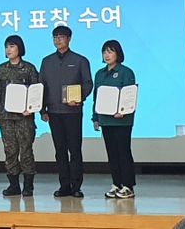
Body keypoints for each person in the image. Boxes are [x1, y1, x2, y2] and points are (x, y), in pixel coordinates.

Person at [39, 25, 92, 198]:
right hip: (54, 112)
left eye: (61, 37)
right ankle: (64, 185)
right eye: (55, 37)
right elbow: (41, 86)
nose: (58, 40)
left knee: (74, 149)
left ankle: (76, 186)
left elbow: (87, 83)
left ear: (69, 39)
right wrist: (42, 109)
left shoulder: (80, 60)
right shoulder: (47, 61)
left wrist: (80, 97)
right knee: (60, 150)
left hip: (73, 112)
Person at [0, 35, 39, 197]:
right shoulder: (1, 69)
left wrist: (31, 108)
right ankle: (13, 185)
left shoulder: (29, 68)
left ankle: (28, 185)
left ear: (19, 48)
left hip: (24, 117)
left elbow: (36, 91)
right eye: (6, 46)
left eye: (12, 46)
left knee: (26, 150)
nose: (8, 50)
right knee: (10, 151)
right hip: (6, 117)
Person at [92, 40, 137, 199]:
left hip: (122, 120)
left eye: (110, 51)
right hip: (105, 120)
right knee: (112, 154)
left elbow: (130, 94)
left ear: (118, 54)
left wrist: (123, 110)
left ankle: (128, 186)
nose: (107, 55)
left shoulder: (126, 72)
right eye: (104, 52)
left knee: (123, 152)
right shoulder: (100, 73)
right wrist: (95, 118)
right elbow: (96, 97)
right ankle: (116, 184)